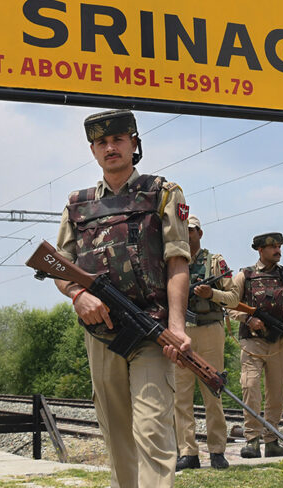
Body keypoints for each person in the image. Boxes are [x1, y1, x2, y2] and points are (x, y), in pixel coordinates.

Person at [53, 109, 192, 488]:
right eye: (101, 142)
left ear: (134, 144)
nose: (110, 148)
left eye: (117, 140)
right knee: (116, 437)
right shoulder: (77, 204)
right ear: (93, 150)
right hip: (102, 334)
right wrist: (77, 294)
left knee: (153, 430)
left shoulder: (162, 193)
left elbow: (177, 261)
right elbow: (59, 266)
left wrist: (177, 327)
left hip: (152, 331)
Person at [173, 216, 238, 470]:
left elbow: (234, 298)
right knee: (181, 396)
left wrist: (211, 294)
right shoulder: (172, 262)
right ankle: (187, 452)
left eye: (190, 230)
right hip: (181, 331)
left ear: (199, 233)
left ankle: (217, 450)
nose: (186, 235)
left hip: (210, 330)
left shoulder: (215, 262)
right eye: (182, 230)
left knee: (213, 391)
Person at [230, 232, 283, 459]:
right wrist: (248, 319)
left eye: (279, 246)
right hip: (252, 343)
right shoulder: (244, 276)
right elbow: (230, 305)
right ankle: (252, 440)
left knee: (277, 393)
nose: (278, 250)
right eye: (273, 247)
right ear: (260, 250)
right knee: (250, 388)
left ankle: (271, 442)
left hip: (280, 343)